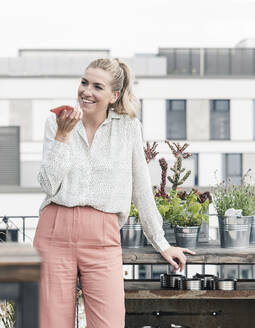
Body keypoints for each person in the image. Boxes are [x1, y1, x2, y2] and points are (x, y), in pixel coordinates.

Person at [34, 58, 195, 328]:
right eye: (84, 82)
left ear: (114, 95)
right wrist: (63, 136)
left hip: (102, 237)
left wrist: (161, 242)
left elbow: (142, 188)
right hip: (54, 233)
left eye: (98, 86)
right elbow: (49, 185)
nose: (86, 91)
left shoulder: (128, 128)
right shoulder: (57, 122)